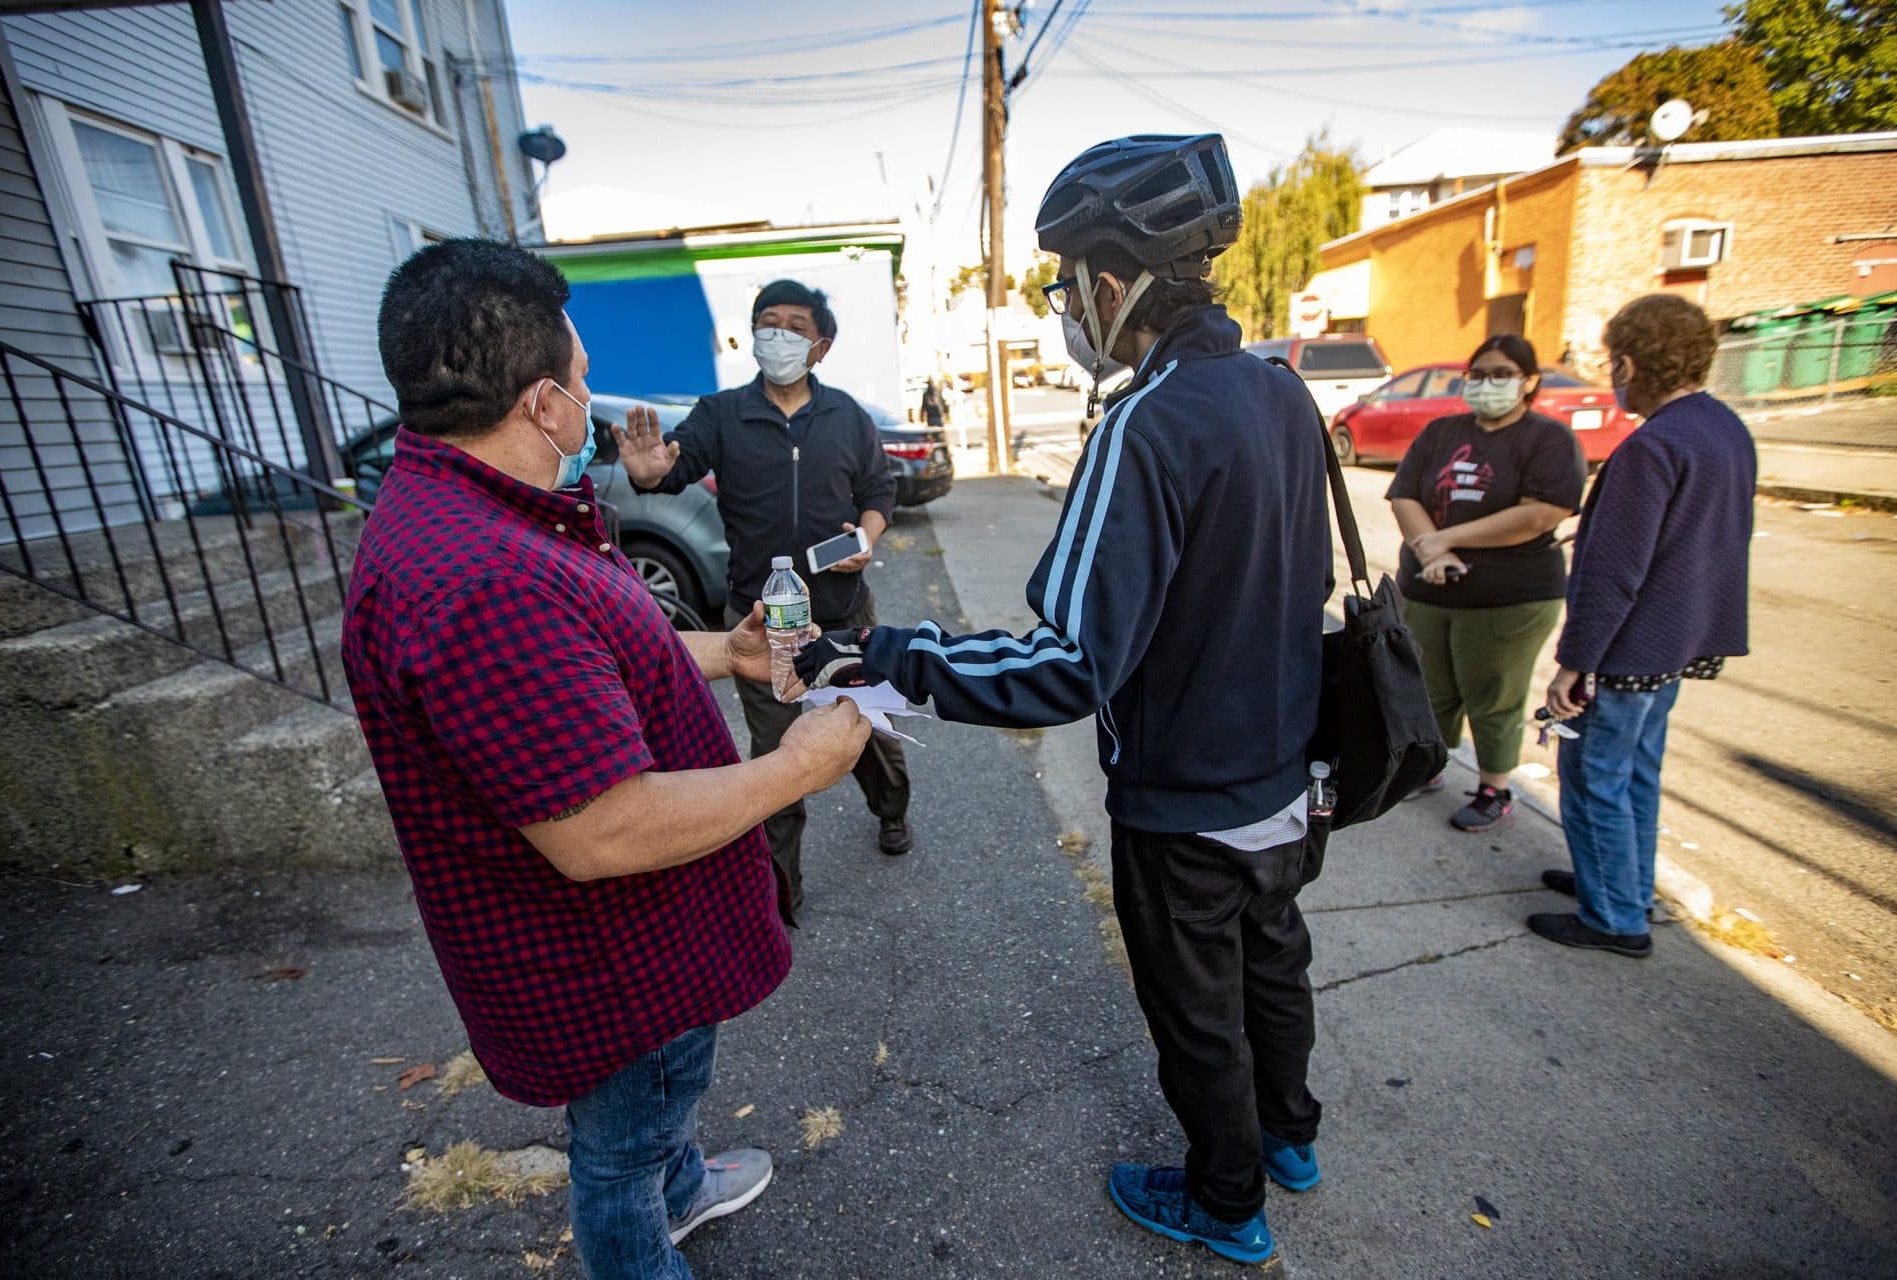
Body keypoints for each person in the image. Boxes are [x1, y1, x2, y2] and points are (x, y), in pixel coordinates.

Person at [791, 134, 1332, 1267]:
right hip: (1288, 777)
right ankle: (1290, 1137)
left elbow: (1065, 665)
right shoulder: (1281, 393)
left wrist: (883, 651)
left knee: (1198, 1013)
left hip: (1186, 802)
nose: (1063, 307)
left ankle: (1226, 1197)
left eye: (1064, 281)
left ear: (1110, 278)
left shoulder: (1150, 421)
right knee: (1273, 962)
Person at [342, 240, 871, 1279]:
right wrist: (800, 766)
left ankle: (683, 1184)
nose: (591, 399)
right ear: (541, 404)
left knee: (661, 1110)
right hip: (610, 962)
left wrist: (727, 649)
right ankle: (645, 1230)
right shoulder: (484, 578)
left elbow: (577, 666)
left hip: (630, 944)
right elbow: (604, 827)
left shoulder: (480, 511)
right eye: (581, 381)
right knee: (621, 1144)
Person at [618, 279, 913, 915]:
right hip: (760, 624)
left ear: (820, 345)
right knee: (776, 756)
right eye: (766, 323)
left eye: (793, 326)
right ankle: (782, 885)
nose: (776, 335)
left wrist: (865, 535)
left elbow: (880, 493)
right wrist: (650, 474)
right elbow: (675, 465)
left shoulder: (847, 417)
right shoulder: (722, 413)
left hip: (846, 613)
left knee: (871, 735)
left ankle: (892, 812)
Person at [1534, 294, 1754, 957]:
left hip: (1633, 647)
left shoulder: (1650, 448)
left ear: (1630, 361)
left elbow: (1615, 572)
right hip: (1679, 643)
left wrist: (1574, 663)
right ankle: (1619, 883)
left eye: (1612, 363)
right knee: (1635, 773)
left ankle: (1614, 919)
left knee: (1594, 773)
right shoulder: (1723, 429)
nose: (1613, 376)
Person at [1385, 335, 1586, 832]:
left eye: (1501, 374)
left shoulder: (1548, 439)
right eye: (1477, 375)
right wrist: (1431, 549)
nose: (1486, 385)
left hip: (1508, 598)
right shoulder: (1441, 432)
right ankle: (1428, 766)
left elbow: (1540, 513)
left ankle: (1495, 787)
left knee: (1493, 694)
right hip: (1429, 588)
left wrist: (1445, 539)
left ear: (1528, 382)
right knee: (1430, 688)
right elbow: (1405, 494)